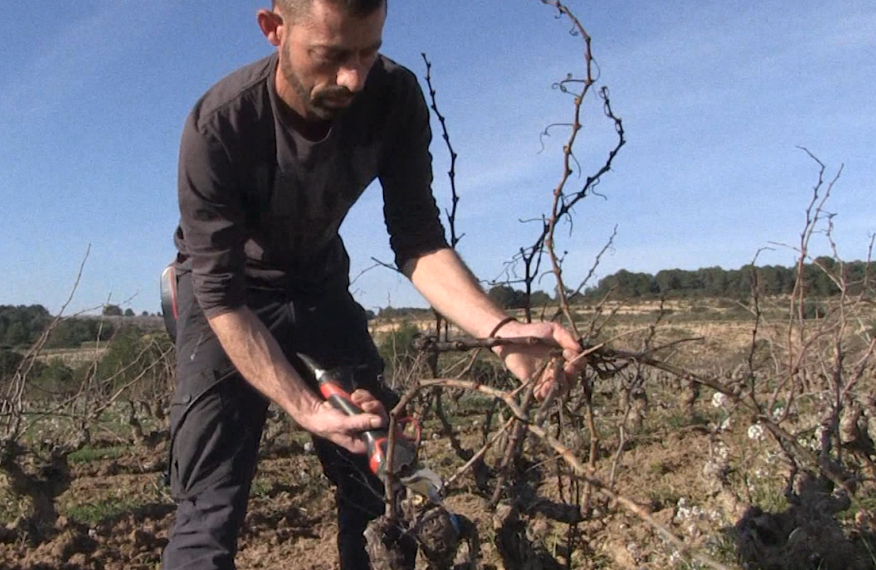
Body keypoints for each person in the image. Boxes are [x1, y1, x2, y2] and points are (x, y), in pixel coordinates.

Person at [163, 1, 586, 569]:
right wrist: (306, 408)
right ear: (274, 29)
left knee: (378, 480)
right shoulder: (219, 125)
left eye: (369, 51)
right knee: (209, 510)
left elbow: (418, 241)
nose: (353, 78)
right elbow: (220, 296)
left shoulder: (394, 98)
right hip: (225, 298)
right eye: (332, 55)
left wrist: (502, 330)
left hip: (318, 286)